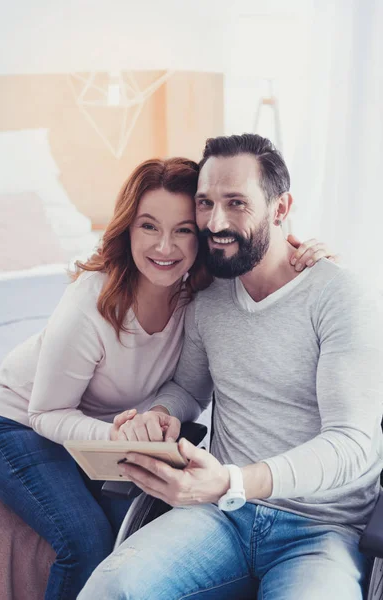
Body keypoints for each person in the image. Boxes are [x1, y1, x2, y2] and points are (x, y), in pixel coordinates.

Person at [0, 155, 329, 600]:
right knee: (86, 541)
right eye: (148, 226)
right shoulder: (91, 303)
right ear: (128, 227)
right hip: (19, 422)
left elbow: (263, 261)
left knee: (141, 527)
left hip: (107, 428)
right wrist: (121, 434)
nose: (164, 247)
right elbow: (47, 412)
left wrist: (310, 255)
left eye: (183, 229)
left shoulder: (199, 292)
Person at [79, 134, 383, 600]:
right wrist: (161, 413)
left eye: (236, 202)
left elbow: (354, 442)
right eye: (205, 203)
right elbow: (188, 389)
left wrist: (234, 480)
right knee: (112, 588)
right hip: (221, 514)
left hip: (321, 530)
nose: (215, 221)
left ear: (281, 209)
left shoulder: (340, 297)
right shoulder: (209, 297)